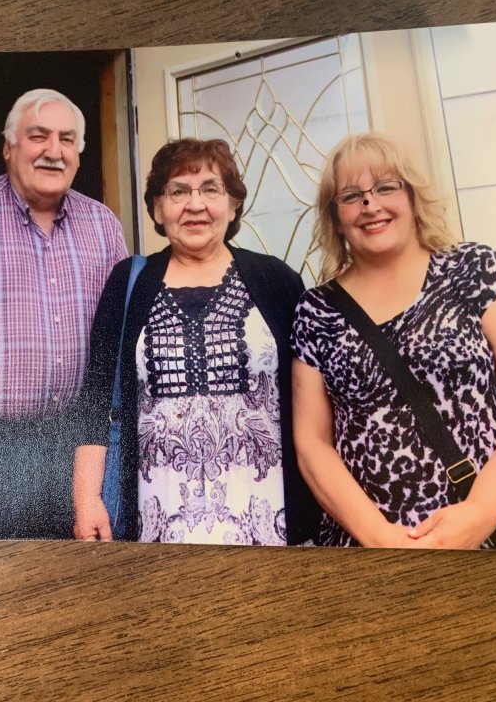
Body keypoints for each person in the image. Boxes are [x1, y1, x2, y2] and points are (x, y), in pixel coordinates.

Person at [73, 138, 321, 545]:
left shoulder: (277, 280)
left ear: (233, 204)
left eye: (210, 189)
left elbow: (315, 406)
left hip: (270, 520)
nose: (195, 204)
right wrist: (86, 500)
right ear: (157, 207)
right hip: (157, 524)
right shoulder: (128, 282)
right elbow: (96, 399)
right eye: (178, 191)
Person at [0, 88, 128, 540]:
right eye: (38, 136)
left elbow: (116, 352)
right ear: (8, 147)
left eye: (67, 139)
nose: (54, 151)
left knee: (78, 581)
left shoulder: (104, 225)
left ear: (79, 153)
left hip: (80, 452)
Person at [291, 132, 496, 549]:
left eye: (385, 187)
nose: (370, 204)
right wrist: (381, 539)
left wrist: (479, 514)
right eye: (351, 196)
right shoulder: (316, 311)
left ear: (412, 196)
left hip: (491, 537)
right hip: (367, 554)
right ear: (335, 218)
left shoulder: (473, 269)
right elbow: (312, 443)